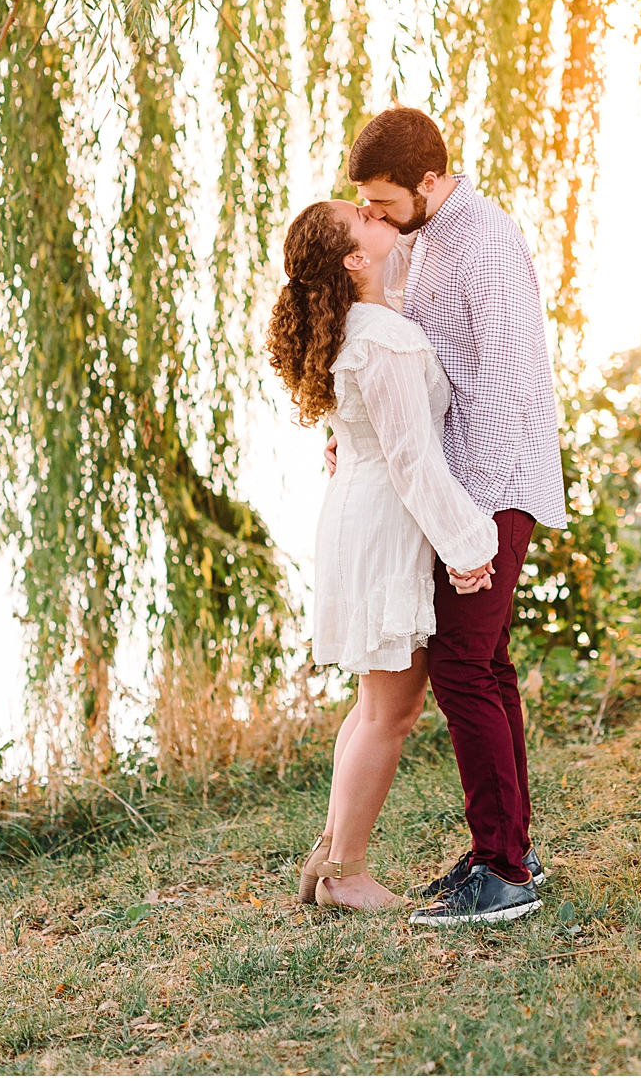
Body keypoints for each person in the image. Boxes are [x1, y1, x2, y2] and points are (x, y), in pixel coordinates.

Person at [340, 103, 566, 926]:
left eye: (383, 201)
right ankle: (505, 850)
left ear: (429, 181)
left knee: (465, 671)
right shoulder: (431, 240)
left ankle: (503, 872)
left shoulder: (488, 245)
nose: (371, 215)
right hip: (469, 494)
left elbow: (504, 396)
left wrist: (468, 525)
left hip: (491, 489)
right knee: (489, 669)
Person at [269, 201, 500, 915]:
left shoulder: (359, 327)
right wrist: (469, 544)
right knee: (389, 715)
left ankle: (328, 854)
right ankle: (346, 872)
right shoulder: (386, 338)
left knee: (372, 705)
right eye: (361, 217)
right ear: (354, 260)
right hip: (386, 518)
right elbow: (412, 457)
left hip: (358, 513)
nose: (374, 212)